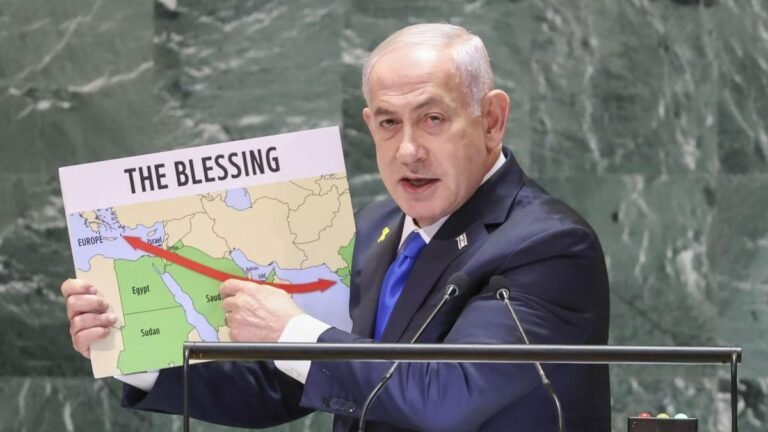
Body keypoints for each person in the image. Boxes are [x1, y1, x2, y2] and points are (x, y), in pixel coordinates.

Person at [61, 23, 610, 431]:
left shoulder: (548, 245)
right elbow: (283, 384)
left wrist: (290, 332)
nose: (408, 149)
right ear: (369, 124)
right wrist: (129, 350)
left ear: (491, 120)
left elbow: (449, 396)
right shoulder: (374, 227)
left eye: (433, 119)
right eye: (389, 123)